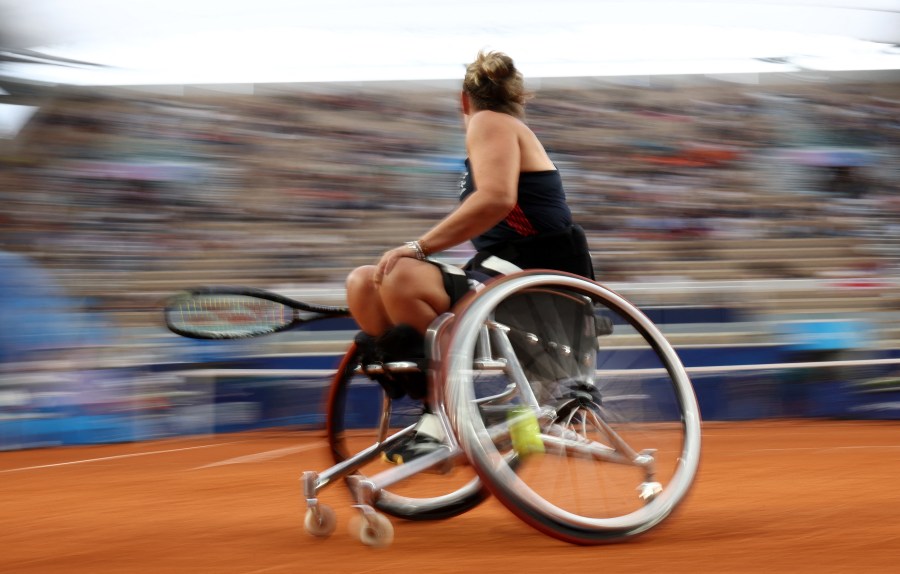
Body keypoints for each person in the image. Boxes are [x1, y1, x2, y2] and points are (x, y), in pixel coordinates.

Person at [345, 50, 594, 465]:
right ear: (518, 96)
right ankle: (436, 406)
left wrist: (419, 247)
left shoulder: (488, 121)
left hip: (536, 280)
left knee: (400, 275)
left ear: (464, 100)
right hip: (505, 276)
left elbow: (496, 199)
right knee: (363, 283)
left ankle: (444, 415)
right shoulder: (501, 127)